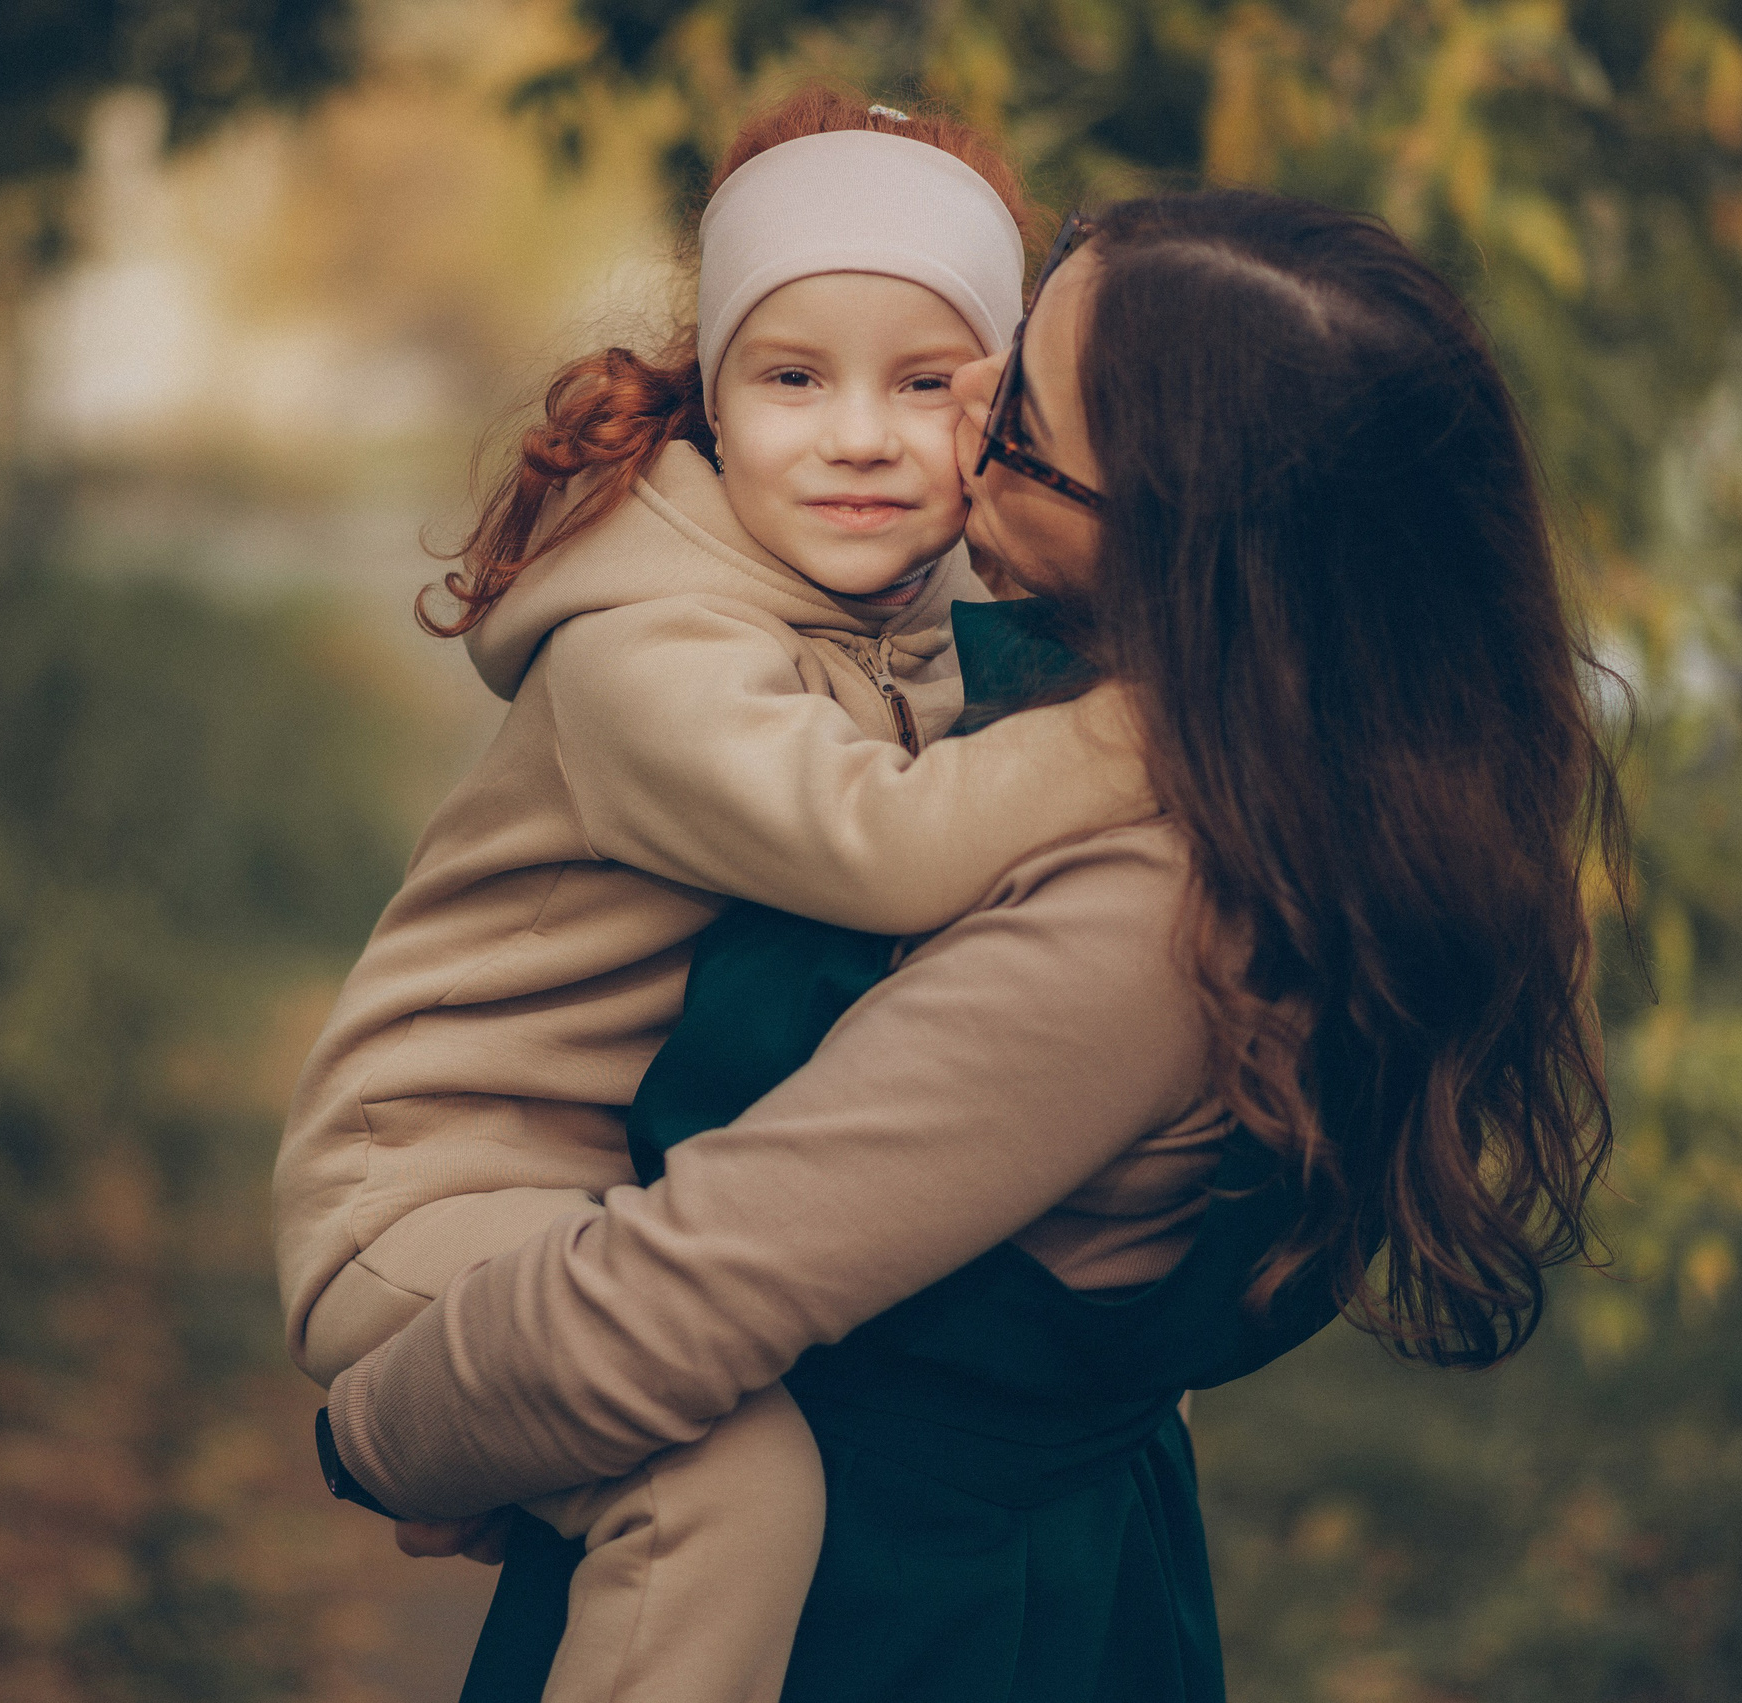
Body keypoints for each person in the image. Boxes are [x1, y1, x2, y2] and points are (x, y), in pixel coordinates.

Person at [316, 189, 1631, 1702]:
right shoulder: (1283, 795)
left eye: (1006, 426)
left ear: (1181, 551)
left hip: (863, 1618)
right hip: (1036, 1569)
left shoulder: (1144, 921)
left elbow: (689, 1290)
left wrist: (378, 1436)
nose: (945, 438)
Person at [272, 92, 1157, 1703]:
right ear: (715, 398)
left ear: (1003, 414)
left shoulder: (887, 602)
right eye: (795, 378)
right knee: (722, 1490)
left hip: (602, 1204)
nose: (862, 435)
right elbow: (878, 845)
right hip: (431, 1195)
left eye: (931, 383)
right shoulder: (645, 647)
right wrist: (1170, 724)